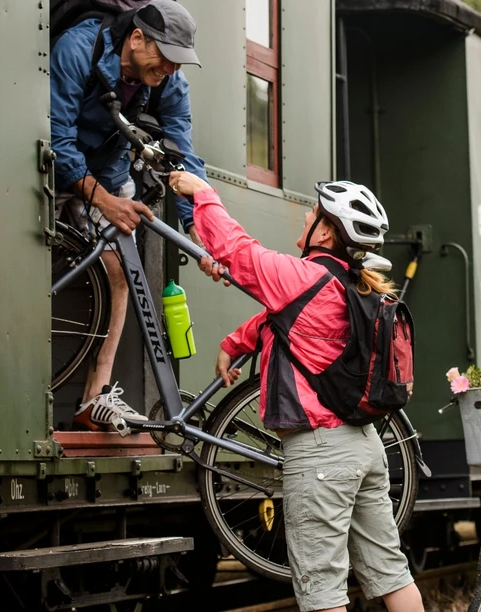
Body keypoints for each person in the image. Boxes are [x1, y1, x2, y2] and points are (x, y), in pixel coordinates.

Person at [168, 170, 423, 612]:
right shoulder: (355, 286)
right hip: (365, 447)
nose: (306, 216)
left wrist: (204, 194)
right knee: (391, 575)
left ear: (325, 230)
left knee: (322, 592)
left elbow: (238, 253)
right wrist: (237, 342)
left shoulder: (304, 277)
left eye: (314, 212)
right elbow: (291, 324)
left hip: (321, 455)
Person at [50, 0, 222, 434]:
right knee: (29, 254)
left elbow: (183, 159)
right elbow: (57, 137)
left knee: (121, 272)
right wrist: (104, 200)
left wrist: (203, 233)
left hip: (107, 169)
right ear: (136, 37)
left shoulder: (168, 82)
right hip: (53, 167)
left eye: (178, 61)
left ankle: (95, 396)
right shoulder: (78, 48)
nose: (169, 68)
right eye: (164, 56)